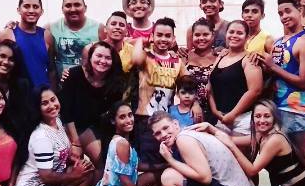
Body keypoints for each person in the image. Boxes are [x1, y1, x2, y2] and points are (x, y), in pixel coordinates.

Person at [14, 86, 92, 186]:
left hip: (50, 183)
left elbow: (58, 152)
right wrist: (73, 175)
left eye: (53, 99)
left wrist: (70, 158)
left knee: (88, 172)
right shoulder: (41, 136)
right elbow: (46, 176)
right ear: (37, 108)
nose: (51, 105)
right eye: (45, 103)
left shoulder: (57, 122)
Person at [252, 0, 305, 170]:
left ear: (299, 10)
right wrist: (262, 64)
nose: (284, 16)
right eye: (280, 13)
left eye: (288, 11)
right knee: (280, 156)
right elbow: (275, 71)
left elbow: (304, 82)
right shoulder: (278, 42)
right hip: (276, 106)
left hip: (295, 107)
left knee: (301, 154)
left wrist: (272, 66)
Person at [96, 102, 173, 186]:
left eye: (130, 115)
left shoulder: (123, 140)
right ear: (113, 121)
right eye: (122, 117)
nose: (128, 120)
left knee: (157, 175)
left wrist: (166, 165)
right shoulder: (122, 143)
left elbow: (137, 166)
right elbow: (125, 181)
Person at [132, 17, 187, 169]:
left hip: (165, 120)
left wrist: (193, 104)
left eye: (168, 36)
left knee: (164, 159)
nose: (163, 39)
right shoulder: (147, 56)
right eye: (159, 35)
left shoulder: (177, 62)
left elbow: (188, 85)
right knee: (147, 163)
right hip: (145, 118)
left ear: (173, 38)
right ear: (152, 36)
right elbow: (136, 59)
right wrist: (141, 40)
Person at [59, 41, 125, 166]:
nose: (103, 61)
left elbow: (112, 113)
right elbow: (66, 112)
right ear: (90, 57)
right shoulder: (73, 74)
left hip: (98, 127)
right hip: (73, 127)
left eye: (108, 58)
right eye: (99, 56)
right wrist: (76, 143)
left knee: (111, 161)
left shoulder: (115, 82)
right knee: (100, 163)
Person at [208, 20, 263, 136]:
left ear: (247, 37)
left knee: (236, 148)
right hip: (221, 118)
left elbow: (255, 91)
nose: (234, 35)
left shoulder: (250, 59)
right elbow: (209, 86)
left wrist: (233, 114)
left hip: (242, 119)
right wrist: (215, 111)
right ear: (226, 34)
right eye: (231, 32)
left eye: (239, 33)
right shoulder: (221, 57)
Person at [0, 0, 54, 90]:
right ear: (18, 10)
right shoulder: (6, 34)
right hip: (16, 94)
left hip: (42, 94)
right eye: (26, 6)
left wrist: (52, 92)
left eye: (35, 7)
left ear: (41, 11)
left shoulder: (47, 36)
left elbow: (52, 69)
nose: (31, 10)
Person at [0, 39, 32, 137]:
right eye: (2, 56)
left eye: (11, 59)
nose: (6, 62)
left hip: (15, 133)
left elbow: (23, 116)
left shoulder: (22, 84)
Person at [49, 0, 103, 79]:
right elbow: (49, 64)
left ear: (85, 8)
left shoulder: (99, 28)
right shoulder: (51, 29)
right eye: (68, 5)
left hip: (90, 83)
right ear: (62, 9)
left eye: (77, 5)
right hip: (62, 85)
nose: (73, 9)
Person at [184, 18, 218, 124]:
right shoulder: (185, 57)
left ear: (213, 35)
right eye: (197, 35)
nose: (201, 38)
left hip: (218, 112)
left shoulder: (221, 57)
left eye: (205, 34)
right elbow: (179, 86)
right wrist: (194, 103)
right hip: (190, 112)